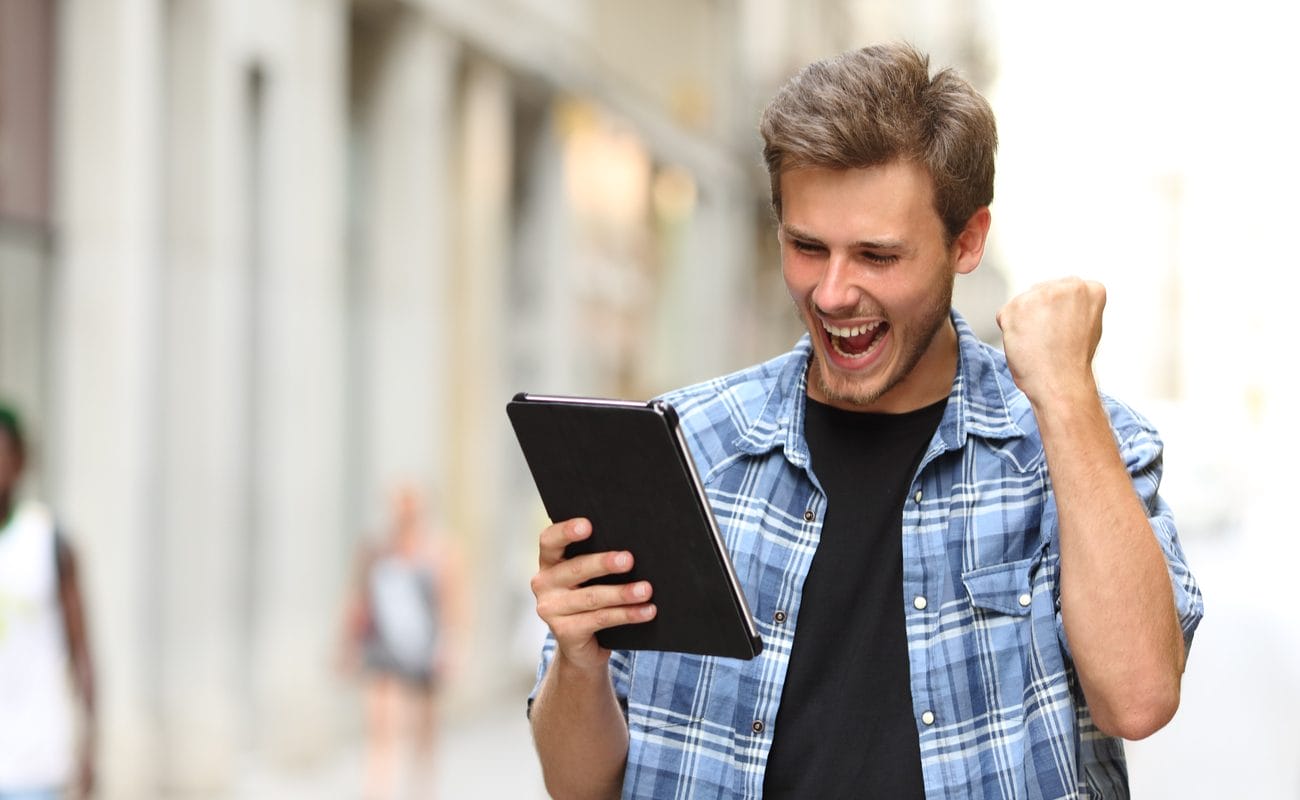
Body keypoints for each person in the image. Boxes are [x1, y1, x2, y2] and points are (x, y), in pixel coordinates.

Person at [526, 43, 1203, 799]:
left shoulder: (1074, 447)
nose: (834, 293)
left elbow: (1139, 699)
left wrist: (1067, 395)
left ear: (968, 240)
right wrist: (578, 660)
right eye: (807, 247)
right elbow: (576, 786)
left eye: (878, 256)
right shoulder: (690, 448)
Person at [339, 484, 465, 800]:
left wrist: (451, 646)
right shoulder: (376, 550)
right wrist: (347, 644)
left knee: (424, 729)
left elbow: (453, 603)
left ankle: (422, 790)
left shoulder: (440, 552)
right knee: (382, 725)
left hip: (424, 648)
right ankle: (378, 789)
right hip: (383, 647)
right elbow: (359, 599)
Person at [0, 403, 97, 800]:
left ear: (21, 462)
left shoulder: (48, 542)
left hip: (34, 763)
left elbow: (83, 653)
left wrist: (90, 746)